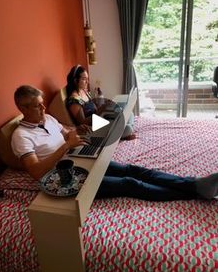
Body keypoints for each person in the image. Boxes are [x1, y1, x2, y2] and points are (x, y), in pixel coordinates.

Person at [11, 85, 218, 201]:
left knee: (132, 169)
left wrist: (75, 131)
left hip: (78, 159)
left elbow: (64, 131)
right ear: (23, 108)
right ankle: (192, 192)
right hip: (64, 179)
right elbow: (37, 172)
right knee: (130, 183)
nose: (44, 109)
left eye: (43, 104)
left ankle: (194, 184)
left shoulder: (47, 119)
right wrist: (66, 146)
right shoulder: (21, 136)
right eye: (38, 106)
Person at [66, 64, 135, 139]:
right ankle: (124, 131)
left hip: (101, 118)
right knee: (128, 128)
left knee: (130, 113)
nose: (87, 82)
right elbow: (83, 122)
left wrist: (105, 105)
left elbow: (95, 109)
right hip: (95, 127)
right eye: (84, 79)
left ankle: (122, 130)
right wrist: (102, 110)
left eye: (87, 79)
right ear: (76, 80)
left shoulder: (84, 92)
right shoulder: (74, 101)